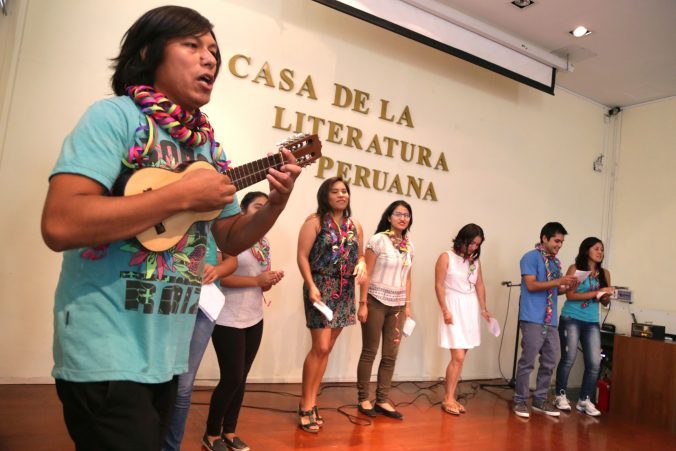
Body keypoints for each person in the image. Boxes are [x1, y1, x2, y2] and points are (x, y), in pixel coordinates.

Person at [41, 6, 299, 449]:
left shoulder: (209, 151)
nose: (210, 59)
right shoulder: (115, 118)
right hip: (105, 348)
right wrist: (180, 196)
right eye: (193, 45)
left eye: (215, 51)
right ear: (148, 52)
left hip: (167, 354)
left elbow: (229, 236)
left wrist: (275, 205)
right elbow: (61, 223)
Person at [204, 192, 284, 451]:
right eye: (257, 207)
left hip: (254, 317)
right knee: (232, 378)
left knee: (242, 378)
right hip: (227, 318)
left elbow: (260, 282)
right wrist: (256, 281)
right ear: (242, 210)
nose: (262, 211)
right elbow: (220, 278)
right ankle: (212, 434)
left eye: (265, 207)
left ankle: (230, 430)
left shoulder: (263, 242)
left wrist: (268, 281)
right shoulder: (229, 239)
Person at [296, 177, 366, 433]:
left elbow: (359, 255)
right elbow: (302, 256)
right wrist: (311, 285)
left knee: (326, 349)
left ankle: (312, 402)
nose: (341, 195)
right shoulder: (314, 222)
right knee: (320, 347)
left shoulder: (354, 224)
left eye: (344, 191)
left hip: (345, 289)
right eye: (335, 191)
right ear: (325, 195)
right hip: (321, 287)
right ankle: (305, 404)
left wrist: (362, 263)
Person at [162, 232, 235, 451]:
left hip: (204, 305)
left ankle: (171, 447)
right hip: (167, 298)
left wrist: (217, 270)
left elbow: (232, 260)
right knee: (157, 381)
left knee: (184, 385)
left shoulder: (218, 221)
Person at [512, 222, 579, 419]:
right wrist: (558, 281)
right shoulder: (530, 257)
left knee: (550, 360)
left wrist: (568, 285)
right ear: (544, 238)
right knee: (528, 361)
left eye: (562, 242)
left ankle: (540, 399)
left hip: (551, 320)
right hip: (532, 317)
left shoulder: (555, 263)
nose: (560, 245)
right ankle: (520, 400)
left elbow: (554, 291)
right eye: (557, 240)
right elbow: (532, 285)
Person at [356, 200, 414, 420]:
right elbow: (366, 273)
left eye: (406, 215)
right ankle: (363, 398)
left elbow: (408, 277)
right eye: (398, 214)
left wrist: (407, 305)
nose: (402, 218)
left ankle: (382, 399)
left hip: (397, 306)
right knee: (369, 351)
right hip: (375, 301)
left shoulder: (409, 245)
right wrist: (363, 304)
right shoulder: (378, 240)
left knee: (390, 355)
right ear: (389, 217)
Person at [435, 224, 490, 415]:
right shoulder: (446, 257)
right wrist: (444, 309)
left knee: (461, 358)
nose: (474, 247)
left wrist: (483, 308)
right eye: (472, 243)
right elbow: (439, 285)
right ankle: (448, 398)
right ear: (462, 239)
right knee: (457, 356)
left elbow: (480, 285)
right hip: (453, 307)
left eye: (478, 244)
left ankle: (451, 397)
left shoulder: (475, 261)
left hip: (469, 308)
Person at [554, 237, 613, 416]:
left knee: (595, 362)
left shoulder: (605, 273)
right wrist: (595, 292)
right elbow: (570, 296)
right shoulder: (575, 269)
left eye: (602, 250)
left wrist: (606, 295)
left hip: (591, 321)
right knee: (569, 358)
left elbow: (604, 303)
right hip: (571, 317)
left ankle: (584, 400)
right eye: (596, 249)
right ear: (586, 250)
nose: (600, 252)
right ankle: (560, 395)